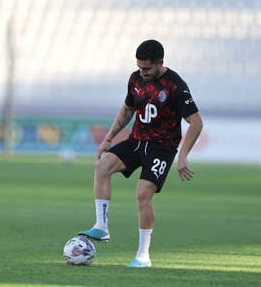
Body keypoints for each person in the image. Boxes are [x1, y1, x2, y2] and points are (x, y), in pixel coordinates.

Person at [78, 39, 203, 268]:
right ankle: (101, 226)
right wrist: (108, 139)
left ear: (160, 63)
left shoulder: (176, 85)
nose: (142, 72)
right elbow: (128, 109)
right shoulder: (135, 78)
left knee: (143, 194)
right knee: (102, 166)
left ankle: (143, 256)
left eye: (147, 68)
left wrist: (183, 155)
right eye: (139, 67)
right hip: (136, 141)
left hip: (162, 147)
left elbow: (196, 123)